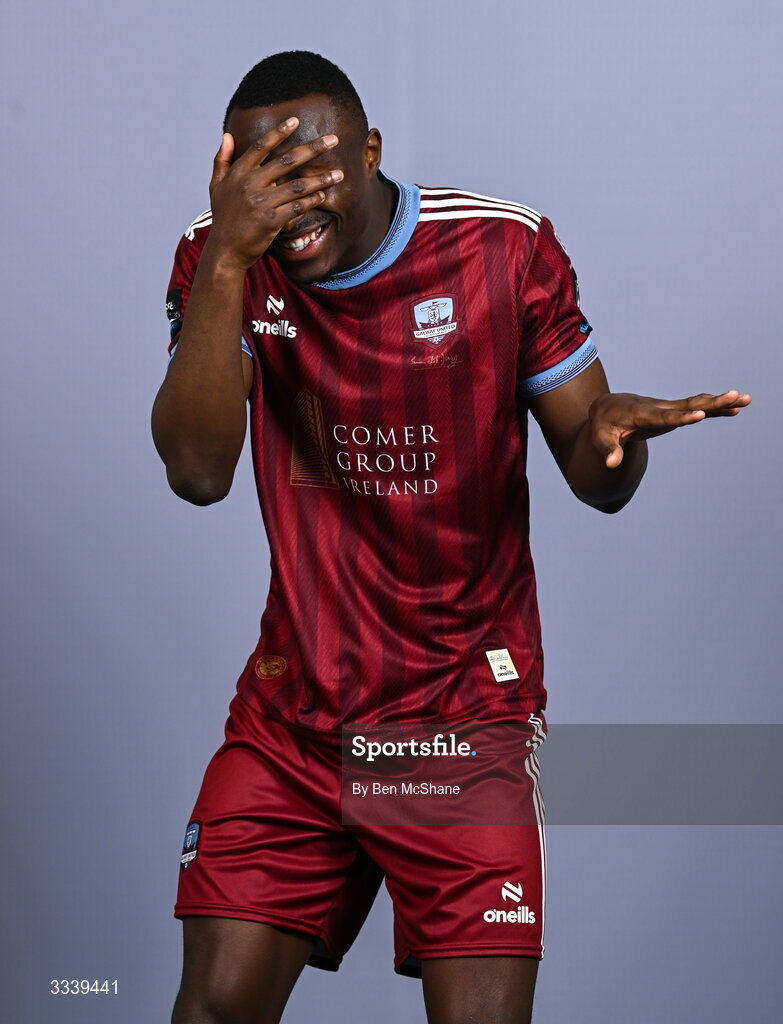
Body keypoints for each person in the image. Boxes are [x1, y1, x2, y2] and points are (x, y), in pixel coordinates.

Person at [151, 50, 751, 1024]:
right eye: (265, 177)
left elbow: (599, 478)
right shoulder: (220, 257)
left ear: (372, 150)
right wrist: (225, 258)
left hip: (461, 726)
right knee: (212, 1007)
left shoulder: (504, 249)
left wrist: (612, 441)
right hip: (294, 723)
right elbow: (196, 472)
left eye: (315, 169)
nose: (291, 205)